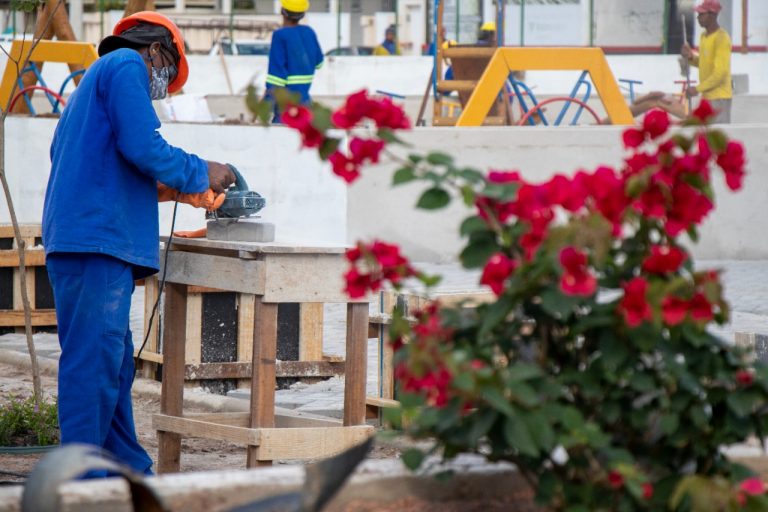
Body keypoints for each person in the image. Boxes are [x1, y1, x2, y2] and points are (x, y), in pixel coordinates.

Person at [42, 11, 235, 475]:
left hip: (85, 240)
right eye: (168, 70)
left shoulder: (91, 86)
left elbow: (111, 163)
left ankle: (126, 471)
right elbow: (144, 147)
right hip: (96, 244)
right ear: (156, 50)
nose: (164, 85)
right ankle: (82, 483)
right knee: (95, 368)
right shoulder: (127, 64)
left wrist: (179, 190)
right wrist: (200, 170)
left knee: (112, 365)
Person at [266, 0, 324, 123]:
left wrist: (265, 106)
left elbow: (276, 78)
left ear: (283, 12)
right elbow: (319, 63)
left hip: (285, 106)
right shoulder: (309, 32)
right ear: (302, 14)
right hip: (305, 103)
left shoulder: (280, 35)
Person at [681, 0, 732, 123]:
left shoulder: (722, 38)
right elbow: (703, 63)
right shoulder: (703, 36)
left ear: (713, 15)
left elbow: (720, 73)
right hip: (707, 97)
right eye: (699, 14)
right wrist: (690, 57)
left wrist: (697, 89)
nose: (698, 17)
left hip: (719, 97)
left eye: (702, 14)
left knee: (717, 139)